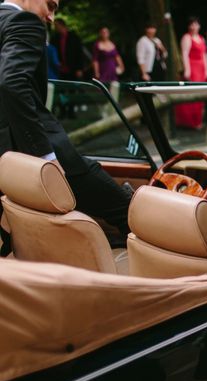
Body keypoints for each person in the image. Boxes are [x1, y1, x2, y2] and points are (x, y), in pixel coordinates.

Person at [0, 0, 132, 246]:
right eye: (50, 5)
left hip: (8, 159)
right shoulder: (25, 21)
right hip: (43, 153)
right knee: (130, 212)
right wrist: (46, 158)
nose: (51, 17)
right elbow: (12, 83)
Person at [174, 16, 207, 130]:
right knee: (193, 93)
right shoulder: (186, 37)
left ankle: (198, 120)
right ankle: (190, 122)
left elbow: (204, 55)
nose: (193, 27)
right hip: (192, 67)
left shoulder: (201, 38)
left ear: (199, 26)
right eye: (191, 24)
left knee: (200, 94)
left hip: (201, 68)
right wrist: (187, 69)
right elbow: (184, 54)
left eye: (196, 24)